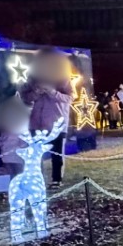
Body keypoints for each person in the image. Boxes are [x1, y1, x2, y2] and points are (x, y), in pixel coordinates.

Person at [20, 50, 73, 187]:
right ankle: (37, 179)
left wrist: (52, 92)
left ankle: (57, 179)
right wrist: (36, 93)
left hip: (56, 123)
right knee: (36, 153)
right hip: (36, 123)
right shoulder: (32, 78)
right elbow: (25, 97)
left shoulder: (63, 78)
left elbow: (69, 98)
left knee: (56, 154)